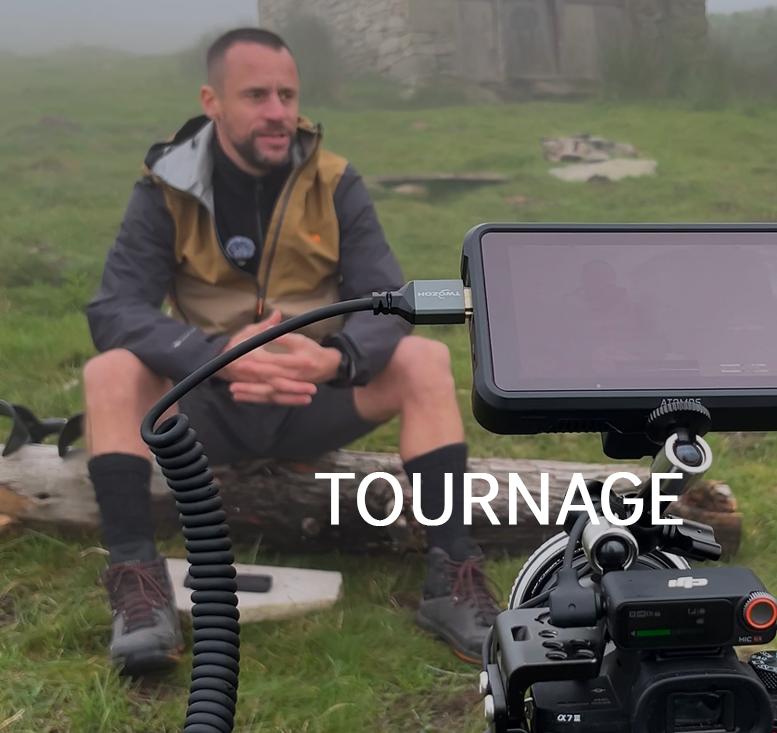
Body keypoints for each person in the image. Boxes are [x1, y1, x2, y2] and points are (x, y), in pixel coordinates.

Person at [83, 27, 499, 677]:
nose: (278, 111)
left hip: (316, 395)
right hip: (208, 404)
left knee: (426, 361)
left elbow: (387, 297)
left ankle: (455, 577)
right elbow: (113, 308)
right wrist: (213, 354)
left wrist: (335, 359)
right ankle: (139, 589)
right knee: (111, 372)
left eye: (287, 94)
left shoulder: (335, 182)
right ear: (212, 100)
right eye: (256, 95)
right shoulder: (164, 185)